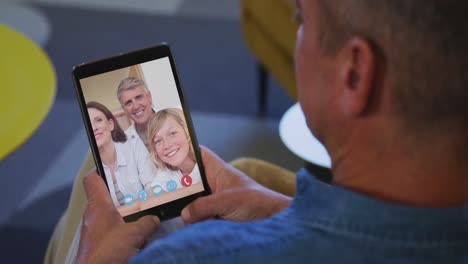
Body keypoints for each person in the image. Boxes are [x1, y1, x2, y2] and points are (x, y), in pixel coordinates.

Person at [62, 0, 468, 263]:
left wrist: (93, 260)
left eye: (301, 20)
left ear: (355, 73)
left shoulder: (190, 257)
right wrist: (287, 213)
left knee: (90, 188)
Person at [86, 101, 155, 206]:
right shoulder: (87, 170)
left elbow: (151, 186)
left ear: (110, 125)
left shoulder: (133, 144)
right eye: (88, 124)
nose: (94, 128)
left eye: (98, 120)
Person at [147, 108, 202, 191]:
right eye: (158, 140)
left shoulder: (207, 162)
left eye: (172, 133)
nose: (166, 145)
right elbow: (151, 196)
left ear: (188, 131)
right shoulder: (166, 173)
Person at [117, 77, 155, 150]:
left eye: (139, 98)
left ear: (149, 97)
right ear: (124, 109)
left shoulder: (175, 118)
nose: (136, 106)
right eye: (129, 103)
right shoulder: (125, 143)